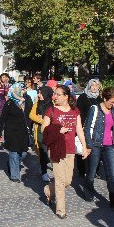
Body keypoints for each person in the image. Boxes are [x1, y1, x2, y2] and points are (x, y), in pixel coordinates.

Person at [41, 84, 89, 219]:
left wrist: (84, 147)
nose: (54, 96)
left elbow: (79, 129)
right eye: (54, 94)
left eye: (58, 94)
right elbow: (43, 129)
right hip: (56, 149)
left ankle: (48, 190)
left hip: (70, 149)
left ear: (66, 96)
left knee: (68, 180)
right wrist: (57, 130)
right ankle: (61, 210)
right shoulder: (51, 110)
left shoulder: (75, 111)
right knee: (61, 181)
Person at [83, 87, 114, 207]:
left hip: (108, 145)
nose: (113, 104)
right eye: (111, 102)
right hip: (95, 145)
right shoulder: (94, 109)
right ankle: (88, 190)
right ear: (105, 98)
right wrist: (89, 145)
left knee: (111, 173)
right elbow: (87, 128)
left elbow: (113, 126)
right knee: (91, 172)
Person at [0, 83, 30, 182]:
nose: (21, 90)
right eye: (19, 89)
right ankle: (14, 175)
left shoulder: (25, 101)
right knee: (14, 152)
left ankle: (12, 164)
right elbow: (2, 119)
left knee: (23, 153)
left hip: (23, 131)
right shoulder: (9, 103)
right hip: (11, 131)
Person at [76, 78, 101, 177]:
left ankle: (94, 170)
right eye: (92, 85)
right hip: (84, 126)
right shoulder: (83, 97)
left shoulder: (100, 98)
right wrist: (80, 126)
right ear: (89, 86)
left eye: (96, 86)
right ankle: (82, 170)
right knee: (83, 147)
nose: (94, 88)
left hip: (96, 127)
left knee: (96, 149)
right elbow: (79, 112)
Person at [29, 86, 54, 182]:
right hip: (39, 131)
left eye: (40, 93)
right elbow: (31, 115)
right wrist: (42, 120)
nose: (38, 95)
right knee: (43, 152)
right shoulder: (37, 103)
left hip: (51, 131)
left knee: (50, 152)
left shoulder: (53, 105)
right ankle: (44, 171)